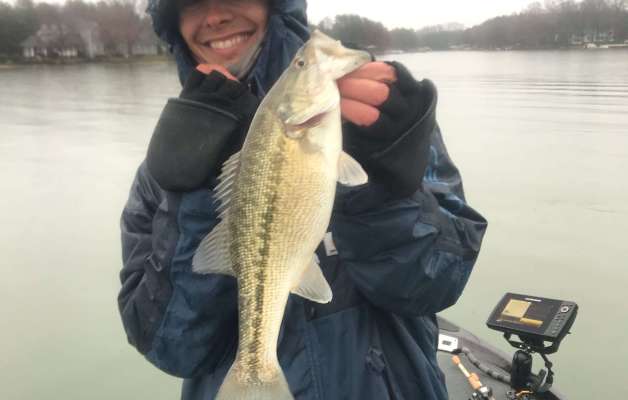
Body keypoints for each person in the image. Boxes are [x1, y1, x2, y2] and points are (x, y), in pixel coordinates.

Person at [118, 0, 488, 399]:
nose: (215, 16)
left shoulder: (381, 119)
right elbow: (169, 348)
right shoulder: (165, 166)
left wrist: (383, 189)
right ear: (174, 24)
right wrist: (189, 199)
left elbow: (439, 282)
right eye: (190, 3)